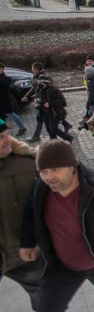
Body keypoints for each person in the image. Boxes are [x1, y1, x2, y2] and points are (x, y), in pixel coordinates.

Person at [19, 139, 94, 312]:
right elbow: (30, 211)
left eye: (55, 169)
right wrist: (27, 242)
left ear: (72, 166)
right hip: (62, 265)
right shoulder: (41, 187)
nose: (49, 177)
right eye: (44, 171)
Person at [0, 122, 43, 311]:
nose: (7, 140)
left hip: (27, 253)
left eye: (6, 134)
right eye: (1, 137)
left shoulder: (27, 163)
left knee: (44, 297)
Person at [39, 76, 73, 143]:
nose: (38, 84)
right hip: (44, 112)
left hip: (54, 113)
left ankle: (68, 138)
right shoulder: (40, 90)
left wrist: (50, 104)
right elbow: (40, 99)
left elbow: (62, 101)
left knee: (54, 129)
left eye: (40, 82)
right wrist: (39, 103)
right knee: (49, 129)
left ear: (45, 83)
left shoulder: (54, 90)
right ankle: (54, 142)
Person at [0, 62, 27, 136]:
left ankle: (22, 127)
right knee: (1, 116)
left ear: (2, 69)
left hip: (5, 100)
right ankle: (3, 130)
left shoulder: (6, 78)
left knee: (12, 114)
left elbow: (6, 86)